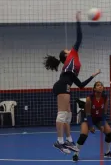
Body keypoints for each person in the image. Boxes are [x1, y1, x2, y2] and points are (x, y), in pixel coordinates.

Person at [43, 11, 101, 154]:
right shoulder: (72, 56)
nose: (70, 49)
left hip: (65, 85)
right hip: (62, 86)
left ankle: (68, 141)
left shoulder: (73, 66)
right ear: (66, 55)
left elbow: (80, 85)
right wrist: (78, 21)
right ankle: (59, 142)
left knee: (68, 115)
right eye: (67, 50)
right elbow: (79, 38)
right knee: (62, 114)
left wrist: (93, 75)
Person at [73, 81, 111, 162]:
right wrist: (91, 126)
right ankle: (75, 154)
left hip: (98, 118)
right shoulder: (89, 98)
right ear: (94, 88)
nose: (100, 86)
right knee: (83, 135)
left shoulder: (105, 98)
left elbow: (104, 112)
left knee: (110, 133)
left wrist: (103, 124)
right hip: (87, 117)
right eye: (98, 85)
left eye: (101, 85)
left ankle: (107, 152)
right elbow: (88, 113)